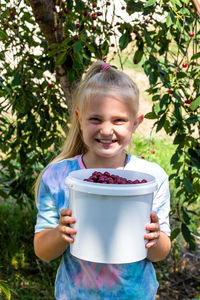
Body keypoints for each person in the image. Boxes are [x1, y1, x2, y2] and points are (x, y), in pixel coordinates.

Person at [34, 60, 171, 300]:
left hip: (135, 295)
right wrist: (60, 233)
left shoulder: (151, 179)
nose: (106, 130)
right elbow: (42, 251)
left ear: (136, 123)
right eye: (96, 119)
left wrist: (155, 238)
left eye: (118, 120)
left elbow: (159, 253)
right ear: (79, 118)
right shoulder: (57, 177)